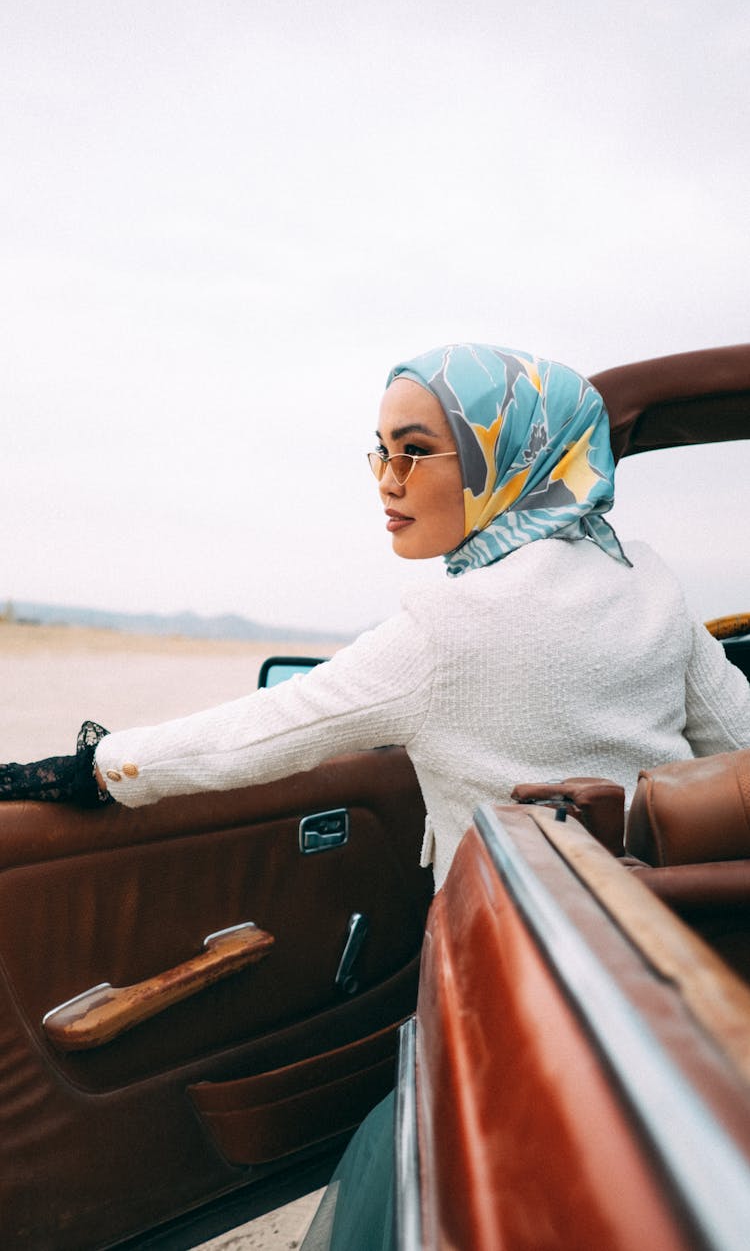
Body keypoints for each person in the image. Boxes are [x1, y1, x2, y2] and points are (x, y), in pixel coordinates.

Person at [3, 344, 749, 1248]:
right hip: (665, 955)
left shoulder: (446, 626)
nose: (386, 479)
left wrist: (87, 768)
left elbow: (262, 730)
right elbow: (740, 743)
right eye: (379, 451)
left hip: (515, 978)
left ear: (498, 457)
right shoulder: (653, 584)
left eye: (415, 450)